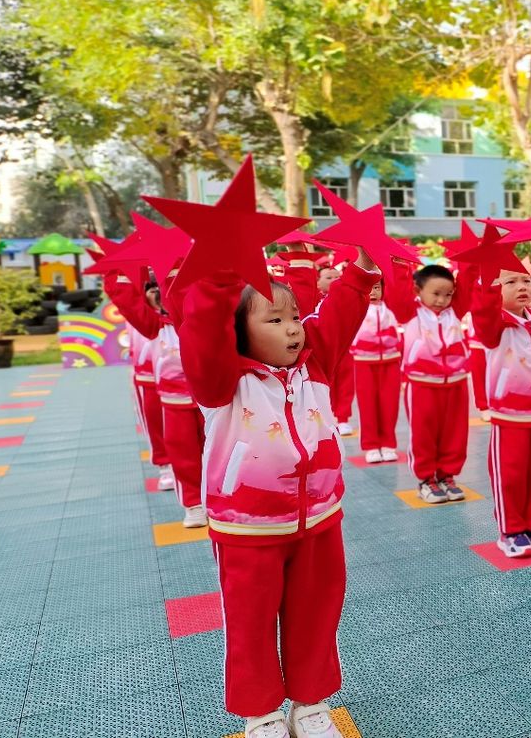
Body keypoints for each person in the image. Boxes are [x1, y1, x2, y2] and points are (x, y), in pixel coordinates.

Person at [179, 247, 379, 738]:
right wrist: (218, 279)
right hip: (247, 529)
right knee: (250, 622)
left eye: (294, 317)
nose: (293, 329)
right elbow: (202, 333)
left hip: (320, 521)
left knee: (317, 614)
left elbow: (341, 312)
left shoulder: (317, 364)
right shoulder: (221, 383)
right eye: (274, 319)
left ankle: (310, 704)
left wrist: (363, 270)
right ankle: (261, 713)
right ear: (238, 332)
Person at [472, 267, 531, 558]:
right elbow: (482, 310)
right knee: (510, 475)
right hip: (511, 414)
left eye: (526, 280)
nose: (522, 286)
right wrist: (487, 279)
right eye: (510, 282)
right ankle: (511, 531)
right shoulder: (494, 324)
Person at [106, 270, 206, 528]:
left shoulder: (203, 323)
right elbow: (128, 301)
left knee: (215, 451)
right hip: (174, 400)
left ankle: (217, 497)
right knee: (183, 453)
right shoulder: (155, 325)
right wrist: (118, 272)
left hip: (210, 400)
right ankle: (193, 503)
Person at [383, 262, 472, 503]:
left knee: (456, 433)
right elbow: (396, 288)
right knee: (423, 434)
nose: (442, 300)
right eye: (436, 293)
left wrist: (474, 259)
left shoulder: (456, 310)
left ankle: (447, 476)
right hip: (421, 384)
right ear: (417, 290)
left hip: (456, 383)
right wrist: (398, 262)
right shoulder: (409, 312)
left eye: (448, 294)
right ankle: (426, 480)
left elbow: (468, 282)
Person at [350, 278, 402, 464]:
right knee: (367, 405)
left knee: (390, 404)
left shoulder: (391, 309)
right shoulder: (355, 309)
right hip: (364, 362)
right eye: (368, 288)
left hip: (391, 360)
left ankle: (388, 444)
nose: (372, 292)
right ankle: (371, 446)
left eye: (376, 287)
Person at [320, 264, 355, 436]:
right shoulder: (315, 300)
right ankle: (327, 416)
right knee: (325, 384)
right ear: (318, 282)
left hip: (345, 348)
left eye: (337, 277)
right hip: (323, 349)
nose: (334, 280)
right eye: (329, 277)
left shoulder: (347, 299)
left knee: (345, 385)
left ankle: (343, 419)